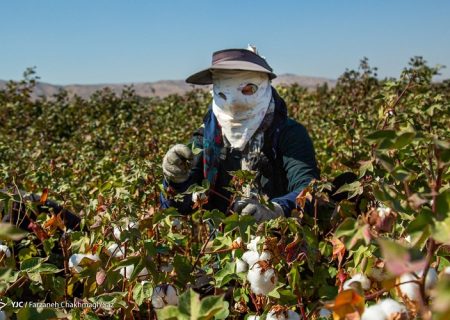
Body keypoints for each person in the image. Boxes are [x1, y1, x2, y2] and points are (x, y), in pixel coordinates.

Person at [160, 46, 320, 222]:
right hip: (221, 245)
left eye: (247, 90)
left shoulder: (288, 134)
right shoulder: (206, 137)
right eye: (224, 93)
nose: (235, 103)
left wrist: (276, 210)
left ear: (264, 85)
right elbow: (181, 206)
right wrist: (175, 180)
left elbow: (309, 190)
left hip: (280, 242)